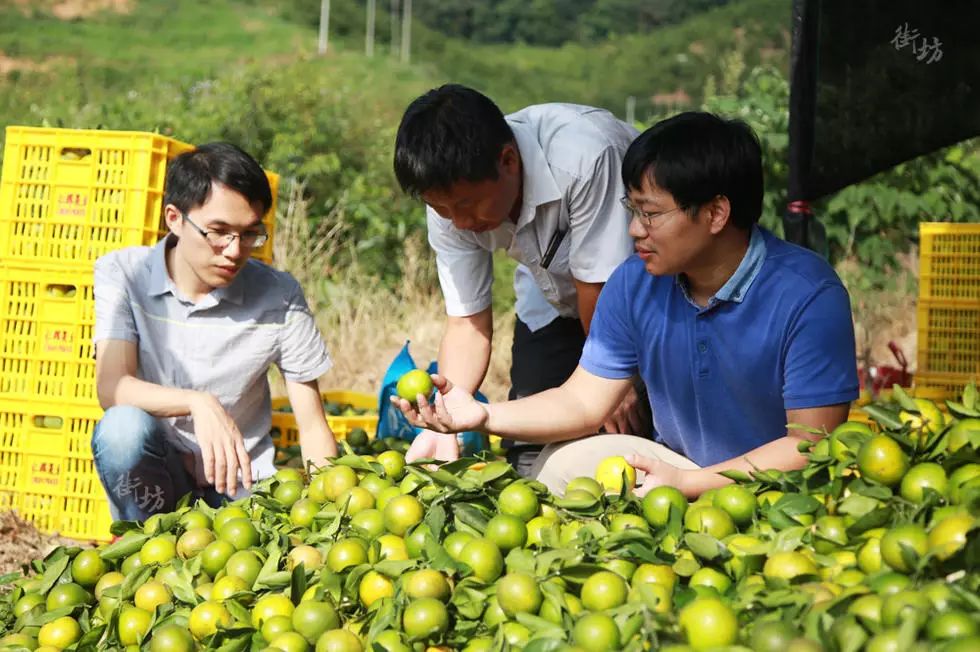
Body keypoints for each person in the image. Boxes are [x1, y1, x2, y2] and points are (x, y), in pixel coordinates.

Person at [394, 111, 859, 497]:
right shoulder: (635, 283)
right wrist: (483, 415)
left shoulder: (807, 296)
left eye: (650, 214)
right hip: (677, 471)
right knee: (558, 468)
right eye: (632, 210)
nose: (634, 230)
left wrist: (692, 484)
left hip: (783, 491)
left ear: (716, 213)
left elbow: (808, 447)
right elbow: (581, 400)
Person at [393, 84, 648, 473]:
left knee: (631, 425)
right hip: (550, 296)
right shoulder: (448, 196)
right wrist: (445, 425)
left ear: (508, 161)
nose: (459, 222)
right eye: (441, 209)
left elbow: (600, 292)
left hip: (639, 300)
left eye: (465, 205)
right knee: (530, 454)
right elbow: (466, 324)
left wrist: (614, 382)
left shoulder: (584, 157)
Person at [92, 142, 337, 521]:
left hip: (240, 488)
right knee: (121, 429)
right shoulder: (124, 274)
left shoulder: (279, 295)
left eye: (250, 235)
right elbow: (112, 386)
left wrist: (331, 512)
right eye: (219, 232)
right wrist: (198, 402)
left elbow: (312, 425)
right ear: (174, 218)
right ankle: (140, 537)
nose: (234, 251)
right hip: (162, 479)